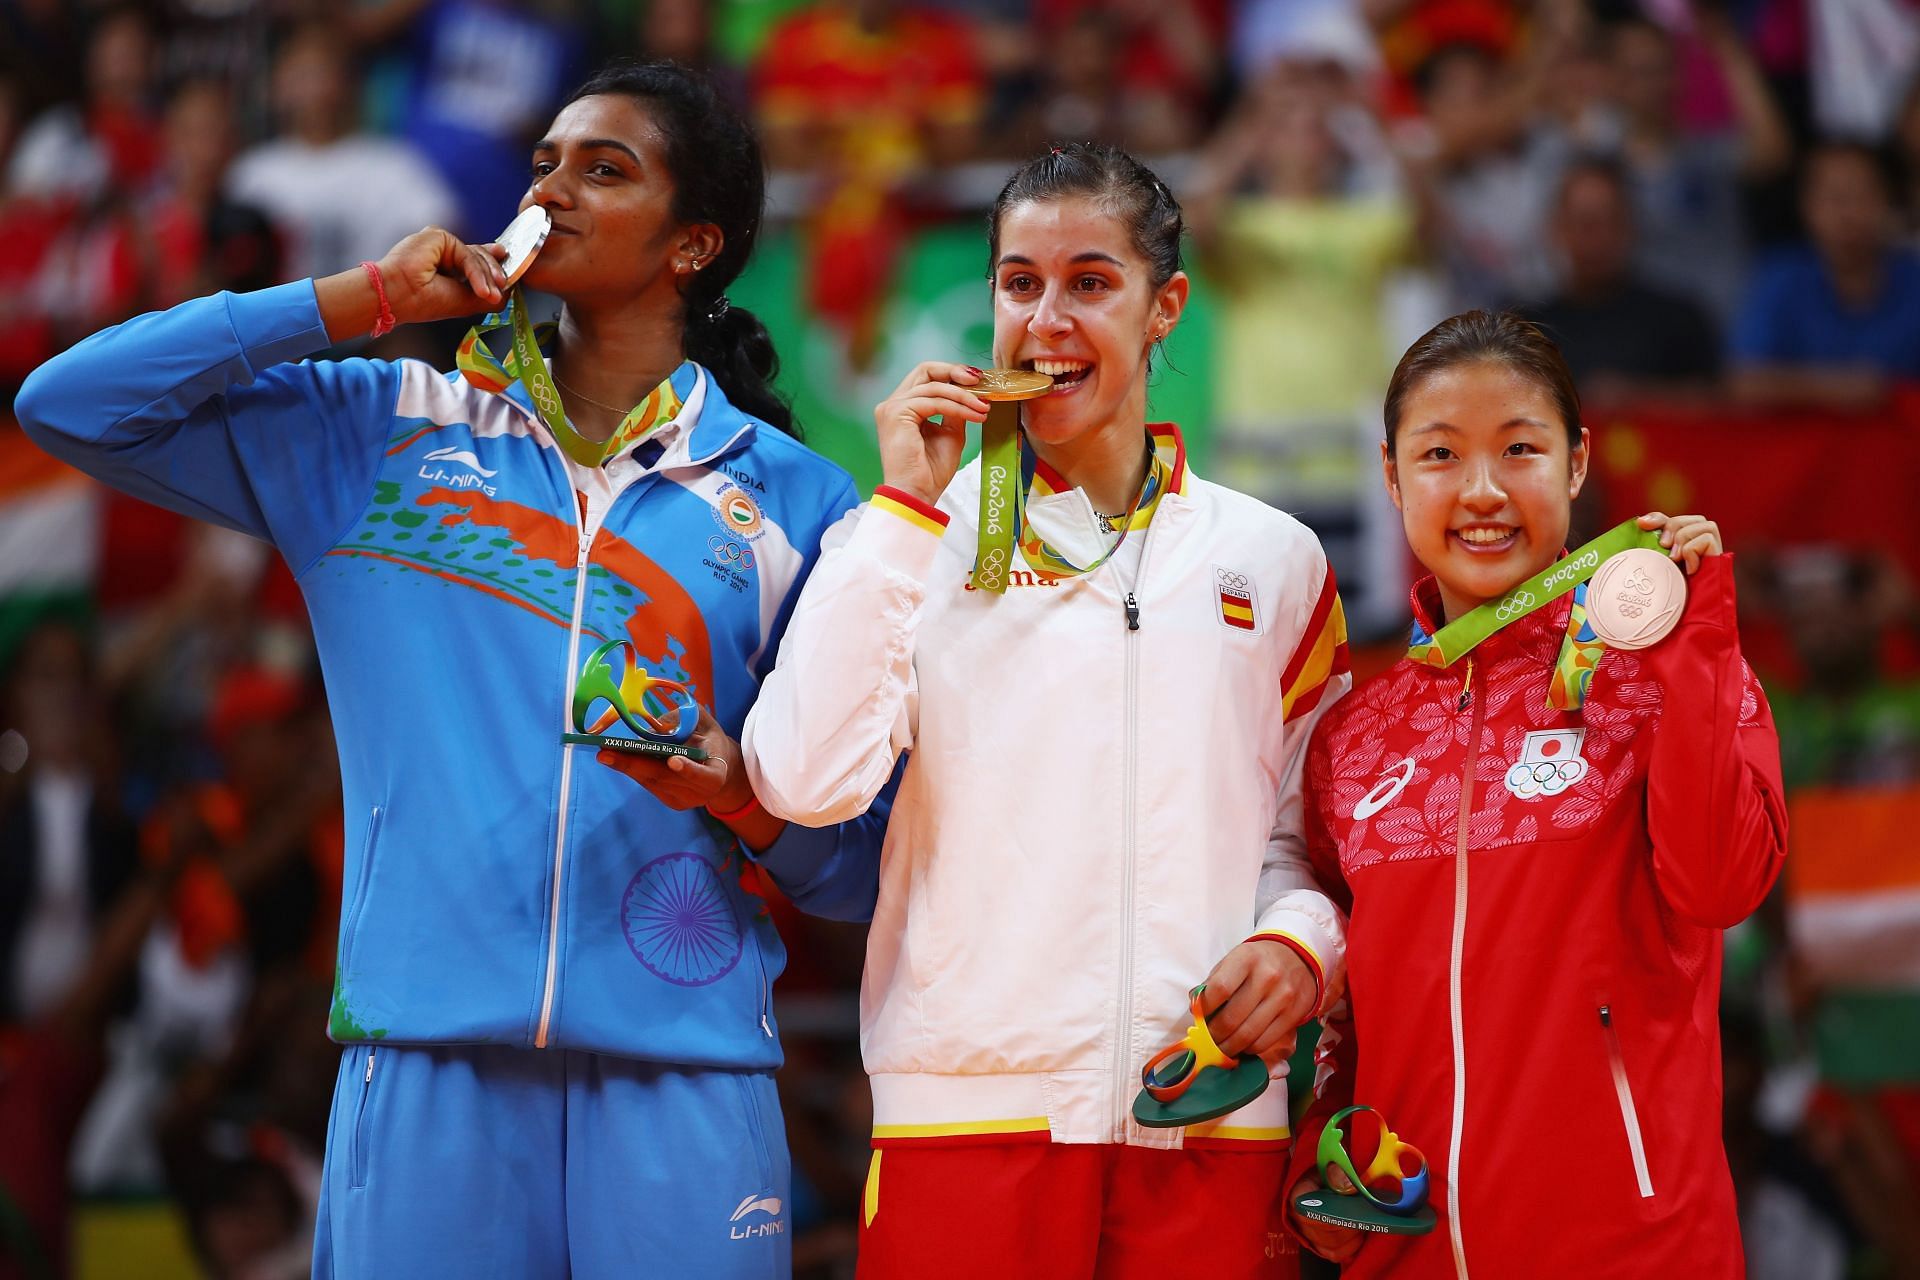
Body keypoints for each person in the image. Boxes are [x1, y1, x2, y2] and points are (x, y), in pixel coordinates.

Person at [18, 60, 889, 1278]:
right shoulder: (380, 431)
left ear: (695, 244)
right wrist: (357, 296)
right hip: (422, 1057)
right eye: (546, 164)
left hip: (686, 1071)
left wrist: (737, 794)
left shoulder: (801, 503)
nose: (556, 188)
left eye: (605, 168)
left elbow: (850, 860)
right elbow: (69, 403)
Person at [744, 142, 1352, 1279]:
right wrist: (902, 513)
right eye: (1021, 284)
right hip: (966, 1120)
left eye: (1091, 282)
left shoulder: (1272, 561)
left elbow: (1305, 838)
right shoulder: (909, 540)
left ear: (1165, 305)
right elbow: (800, 780)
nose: (1049, 319)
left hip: (1207, 1113)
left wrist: (1297, 944)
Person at [1284, 311, 1787, 1276]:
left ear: (1577, 464)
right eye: (1440, 455)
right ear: (1391, 476)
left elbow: (1722, 887)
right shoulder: (1354, 736)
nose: (1481, 491)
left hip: (1632, 1249)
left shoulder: (1659, 675)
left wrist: (1697, 658)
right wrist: (1327, 1143)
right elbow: (1343, 1006)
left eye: (1520, 449)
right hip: (1411, 1253)